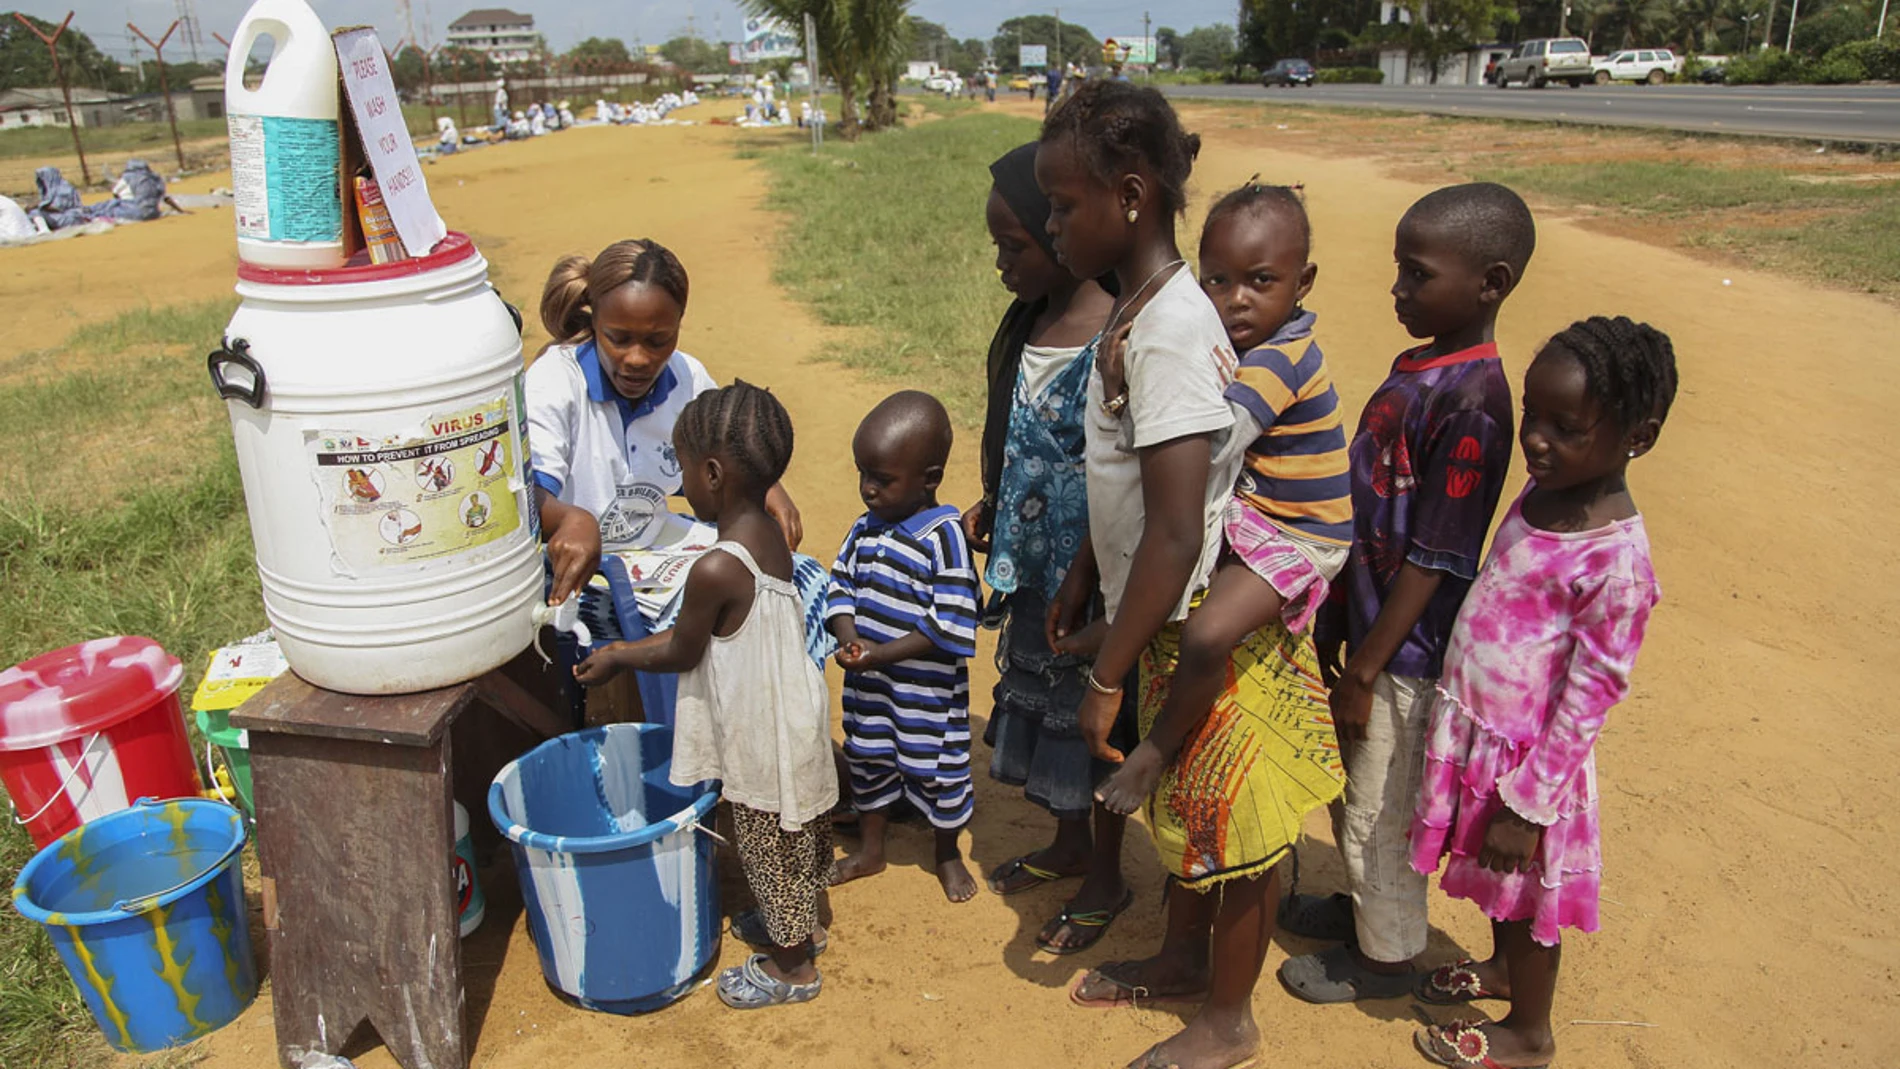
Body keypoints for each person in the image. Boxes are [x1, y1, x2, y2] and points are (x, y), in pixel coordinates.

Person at [1039, 82, 1328, 1069]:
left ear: (1129, 194)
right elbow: (1123, 472)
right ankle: (1176, 957)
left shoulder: (1166, 331)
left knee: (1233, 825)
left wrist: (1106, 673)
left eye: (1062, 203)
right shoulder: (1152, 306)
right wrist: (1087, 572)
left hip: (1203, 616)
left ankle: (1229, 1018)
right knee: (1195, 815)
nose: (1050, 222)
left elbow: (1171, 530)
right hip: (1163, 611)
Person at [1277, 182, 1534, 1005]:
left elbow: (1433, 557)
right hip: (1372, 629)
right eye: (1398, 271)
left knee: (1381, 804)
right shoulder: (1423, 365)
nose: (1397, 291)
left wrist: (1364, 668)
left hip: (1407, 653)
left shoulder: (1475, 404)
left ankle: (1385, 957)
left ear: (1489, 283)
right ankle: (1363, 910)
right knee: (1357, 779)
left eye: (1416, 276)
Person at [1408, 316, 1674, 1069]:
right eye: (1533, 415)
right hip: (1483, 734)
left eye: (1568, 427)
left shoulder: (1618, 562)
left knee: (1529, 906)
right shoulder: (1547, 490)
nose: (1538, 440)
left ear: (1637, 435)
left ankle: (1530, 1031)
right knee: (1503, 894)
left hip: (1532, 767)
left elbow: (1593, 693)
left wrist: (1530, 804)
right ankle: (1498, 973)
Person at [575, 383, 839, 1010]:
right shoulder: (770, 535)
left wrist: (615, 656)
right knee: (795, 839)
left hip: (760, 733)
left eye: (682, 467)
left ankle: (792, 967)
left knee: (765, 844)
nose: (679, 482)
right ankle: (803, 926)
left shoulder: (716, 568)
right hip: (792, 713)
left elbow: (679, 650)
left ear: (713, 475)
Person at [1095, 181, 1350, 827]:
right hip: (1260, 516)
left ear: (1304, 280)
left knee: (1208, 633)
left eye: (1260, 280)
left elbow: (1207, 448)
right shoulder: (1248, 347)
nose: (1236, 300)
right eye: (1217, 281)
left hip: (1301, 535)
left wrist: (1127, 398)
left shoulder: (1280, 358)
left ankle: (1156, 748)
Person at [526, 240, 804, 722]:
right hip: (579, 576)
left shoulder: (686, 376)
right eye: (618, 338)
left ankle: (779, 727)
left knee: (795, 588)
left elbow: (733, 451)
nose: (637, 359)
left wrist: (767, 488)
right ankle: (702, 747)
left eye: (658, 341)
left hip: (657, 554)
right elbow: (529, 495)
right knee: (714, 619)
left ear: (678, 328)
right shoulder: (556, 381)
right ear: (594, 323)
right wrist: (568, 517)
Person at [969, 142, 1132, 951]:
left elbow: (1120, 470)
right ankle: (1069, 844)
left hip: (1091, 577)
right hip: (1036, 566)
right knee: (1045, 705)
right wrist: (993, 505)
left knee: (1091, 723)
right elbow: (1019, 435)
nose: (1002, 262)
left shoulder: (1112, 333)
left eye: (1015, 246)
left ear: (1060, 235)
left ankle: (1106, 873)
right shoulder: (1027, 322)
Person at [826, 391, 983, 904]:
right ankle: (872, 850)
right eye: (862, 474)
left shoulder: (944, 538)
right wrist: (849, 639)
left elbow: (952, 621)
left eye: (883, 479)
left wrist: (881, 654)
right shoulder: (864, 528)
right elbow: (840, 584)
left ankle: (945, 853)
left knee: (938, 771)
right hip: (870, 688)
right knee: (869, 758)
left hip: (926, 695)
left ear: (930, 478)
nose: (868, 489)